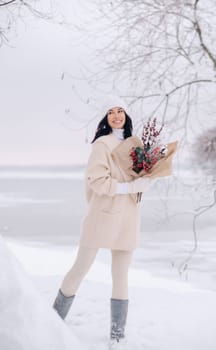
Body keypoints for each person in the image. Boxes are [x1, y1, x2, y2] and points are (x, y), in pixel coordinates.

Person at [52, 96, 153, 349]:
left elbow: (140, 178)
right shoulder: (102, 145)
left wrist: (146, 183)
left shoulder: (136, 143)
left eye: (121, 111)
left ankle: (117, 335)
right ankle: (51, 320)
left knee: (121, 276)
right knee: (80, 269)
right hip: (102, 216)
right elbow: (97, 182)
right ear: (105, 118)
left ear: (127, 116)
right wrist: (130, 186)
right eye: (111, 112)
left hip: (129, 217)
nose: (117, 115)